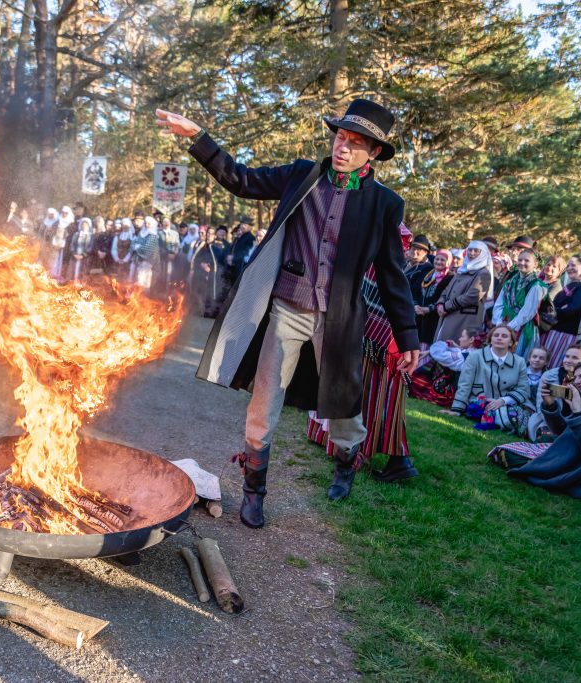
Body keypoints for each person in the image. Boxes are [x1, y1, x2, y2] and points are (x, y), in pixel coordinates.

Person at [157, 97, 419, 522]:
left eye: (355, 142)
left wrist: (407, 336)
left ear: (373, 153)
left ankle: (347, 460)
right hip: (285, 308)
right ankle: (254, 489)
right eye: (340, 136)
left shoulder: (384, 204)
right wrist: (199, 139)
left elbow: (392, 274)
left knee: (343, 411)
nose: (342, 146)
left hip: (339, 321)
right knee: (264, 402)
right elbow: (240, 180)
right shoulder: (303, 175)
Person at [308, 225, 420, 484]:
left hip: (377, 342)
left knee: (371, 396)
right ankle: (398, 459)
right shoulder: (388, 261)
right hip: (386, 343)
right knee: (382, 399)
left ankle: (366, 454)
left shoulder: (377, 261)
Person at [505, 351, 581, 498]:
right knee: (544, 438)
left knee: (510, 452)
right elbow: (565, 433)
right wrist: (550, 404)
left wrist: (577, 412)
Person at [446, 324, 530, 433]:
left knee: (515, 415)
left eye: (504, 336)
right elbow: (464, 384)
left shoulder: (519, 362)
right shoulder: (475, 356)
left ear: (511, 342)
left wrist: (502, 401)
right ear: (490, 340)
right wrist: (457, 409)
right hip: (479, 405)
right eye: (496, 335)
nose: (499, 338)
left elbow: (524, 389)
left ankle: (500, 419)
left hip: (506, 405)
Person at [434, 239, 494, 343]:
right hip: (447, 314)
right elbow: (447, 289)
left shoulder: (483, 273)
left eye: (476, 251)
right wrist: (440, 304)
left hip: (464, 319)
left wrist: (446, 306)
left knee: (455, 350)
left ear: (483, 254)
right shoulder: (462, 269)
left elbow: (472, 296)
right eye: (470, 250)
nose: (472, 253)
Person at [492, 249, 547, 357]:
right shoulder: (510, 282)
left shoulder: (536, 286)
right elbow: (499, 304)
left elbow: (527, 313)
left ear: (535, 264)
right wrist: (499, 323)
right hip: (504, 322)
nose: (522, 263)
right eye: (520, 260)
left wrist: (509, 328)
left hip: (521, 327)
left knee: (512, 360)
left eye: (526, 260)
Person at [543, 255, 581, 368]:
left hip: (564, 335)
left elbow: (572, 309)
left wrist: (555, 309)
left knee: (552, 366)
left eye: (573, 265)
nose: (569, 268)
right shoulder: (572, 285)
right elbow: (557, 306)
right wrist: (558, 308)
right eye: (568, 265)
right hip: (554, 331)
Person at [409, 327, 479, 407]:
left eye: (462, 336)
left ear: (471, 340)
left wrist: (445, 344)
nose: (459, 339)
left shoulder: (465, 356)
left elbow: (440, 354)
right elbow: (455, 352)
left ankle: (415, 383)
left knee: (437, 362)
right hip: (461, 389)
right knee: (438, 361)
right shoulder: (473, 353)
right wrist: (429, 352)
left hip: (457, 392)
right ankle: (415, 382)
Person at [413, 248, 453, 348]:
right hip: (418, 316)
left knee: (426, 346)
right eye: (437, 259)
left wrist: (428, 309)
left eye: (442, 260)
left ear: (448, 262)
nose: (439, 262)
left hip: (434, 319)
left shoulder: (450, 277)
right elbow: (415, 290)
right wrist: (416, 305)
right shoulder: (428, 273)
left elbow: (446, 298)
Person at [189, 227, 223, 317]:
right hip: (200, 274)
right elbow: (196, 258)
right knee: (198, 292)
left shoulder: (217, 246)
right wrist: (201, 264)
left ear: (215, 236)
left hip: (212, 275)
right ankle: (198, 310)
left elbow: (219, 261)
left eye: (211, 233)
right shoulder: (203, 245)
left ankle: (209, 311)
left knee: (210, 293)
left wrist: (210, 268)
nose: (208, 235)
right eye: (207, 233)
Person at [131, 215, 161, 292]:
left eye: (149, 223)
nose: (147, 225)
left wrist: (137, 247)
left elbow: (148, 249)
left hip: (147, 262)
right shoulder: (141, 233)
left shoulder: (153, 235)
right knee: (136, 280)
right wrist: (135, 246)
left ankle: (142, 298)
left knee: (143, 281)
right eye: (146, 223)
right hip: (138, 261)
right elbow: (134, 243)